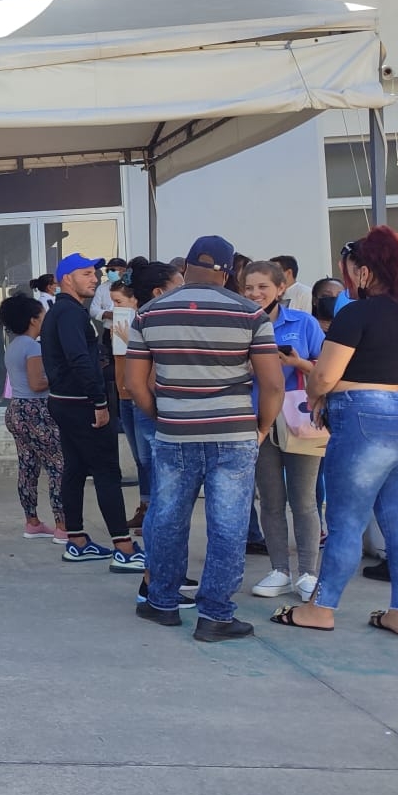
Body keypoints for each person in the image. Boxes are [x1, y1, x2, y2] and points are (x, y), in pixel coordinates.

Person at [127, 236, 284, 642]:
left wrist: (163, 415)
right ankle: (215, 616)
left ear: (186, 268)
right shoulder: (250, 313)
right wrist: (261, 428)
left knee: (167, 518)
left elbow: (135, 384)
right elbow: (272, 384)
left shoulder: (149, 313)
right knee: (228, 524)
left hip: (174, 433)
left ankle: (162, 602)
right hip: (233, 433)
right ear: (230, 271)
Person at [276, 228, 398, 634]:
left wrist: (317, 396)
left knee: (346, 521)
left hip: (364, 417)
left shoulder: (356, 314)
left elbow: (322, 376)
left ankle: (321, 608)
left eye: (349, 271)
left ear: (365, 272)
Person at [41, 252, 145, 572]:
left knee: (74, 469)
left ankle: (77, 541)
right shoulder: (70, 313)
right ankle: (123, 548)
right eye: (86, 273)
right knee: (106, 471)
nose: (95, 278)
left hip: (66, 401)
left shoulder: (64, 311)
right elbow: (78, 359)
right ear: (67, 278)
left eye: (94, 273)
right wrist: (99, 401)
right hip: (80, 402)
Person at [242, 261, 324, 601]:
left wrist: (296, 363)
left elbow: (326, 370)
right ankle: (279, 570)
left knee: (304, 500)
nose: (255, 293)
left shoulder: (303, 323)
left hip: (300, 419)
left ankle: (308, 573)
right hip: (257, 421)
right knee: (270, 500)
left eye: (262, 287)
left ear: (281, 289)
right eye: (249, 287)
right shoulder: (239, 325)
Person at [0, 295, 64, 540]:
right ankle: (63, 526)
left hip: (17, 409)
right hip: (36, 411)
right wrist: (61, 375)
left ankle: (32, 522)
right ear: (33, 319)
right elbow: (37, 384)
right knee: (58, 466)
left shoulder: (14, 346)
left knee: (27, 466)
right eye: (43, 316)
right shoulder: (33, 347)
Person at [109, 274, 149, 530]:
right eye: (112, 302)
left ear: (134, 300)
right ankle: (144, 506)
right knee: (138, 458)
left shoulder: (141, 323)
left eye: (119, 301)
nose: (115, 307)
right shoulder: (118, 323)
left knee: (146, 458)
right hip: (123, 395)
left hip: (137, 396)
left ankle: (151, 510)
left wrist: (127, 337)